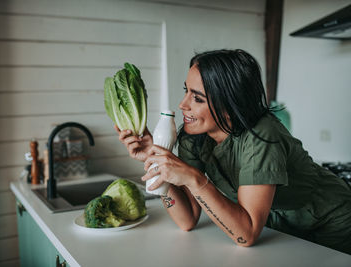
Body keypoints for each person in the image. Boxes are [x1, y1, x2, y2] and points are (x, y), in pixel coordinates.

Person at [114, 49, 351, 254]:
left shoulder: (262, 135)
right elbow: (186, 220)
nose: (183, 104)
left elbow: (246, 235)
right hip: (281, 230)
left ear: (230, 102)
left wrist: (195, 180)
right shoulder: (194, 136)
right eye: (186, 91)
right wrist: (155, 158)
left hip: (332, 221)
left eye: (197, 98)